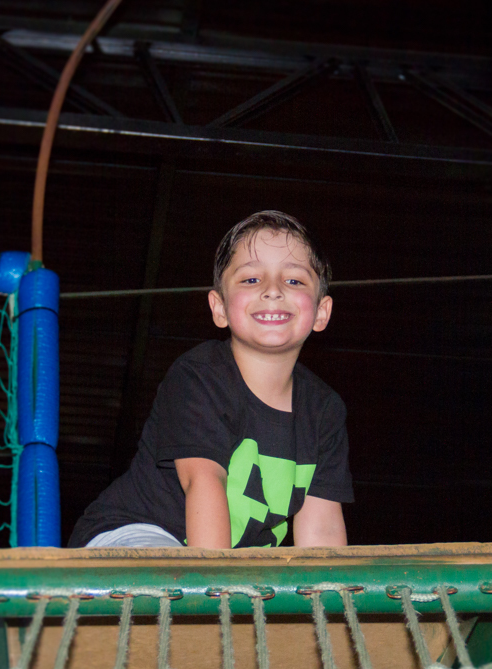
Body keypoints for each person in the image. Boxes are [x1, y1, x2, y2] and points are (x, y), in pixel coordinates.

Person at [68, 210, 352, 548]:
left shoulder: (324, 411)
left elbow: (321, 530)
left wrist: (330, 599)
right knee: (172, 575)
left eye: (294, 280)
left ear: (321, 312)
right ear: (219, 308)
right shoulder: (199, 376)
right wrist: (218, 593)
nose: (273, 290)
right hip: (141, 534)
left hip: (231, 567)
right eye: (250, 279)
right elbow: (203, 483)